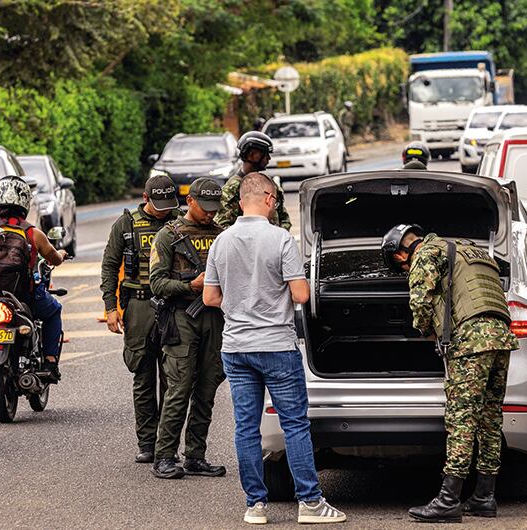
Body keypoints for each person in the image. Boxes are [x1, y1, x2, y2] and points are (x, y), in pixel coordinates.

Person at [204, 172, 347, 525]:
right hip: (276, 346)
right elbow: (300, 294)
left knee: (246, 428)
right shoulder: (281, 238)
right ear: (270, 199)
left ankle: (255, 505)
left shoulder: (221, 242)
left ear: (241, 201)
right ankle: (310, 503)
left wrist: (239, 304)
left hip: (236, 347)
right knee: (295, 425)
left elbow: (210, 297)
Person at [381, 224, 518, 523]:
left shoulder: (425, 254)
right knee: (490, 419)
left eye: (401, 266)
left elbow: (420, 302)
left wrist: (426, 331)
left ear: (401, 253)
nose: (405, 269)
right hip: (500, 337)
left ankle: (448, 499)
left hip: (471, 342)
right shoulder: (469, 249)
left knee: (461, 420)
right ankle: (484, 496)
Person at [148, 177, 227, 480]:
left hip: (214, 317)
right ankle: (164, 456)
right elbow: (157, 283)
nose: (210, 213)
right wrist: (189, 285)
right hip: (181, 316)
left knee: (207, 388)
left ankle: (196, 455)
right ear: (190, 201)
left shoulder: (223, 236)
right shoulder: (168, 236)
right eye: (204, 207)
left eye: (214, 208)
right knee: (179, 388)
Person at [100, 174, 181, 464]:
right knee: (143, 375)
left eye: (168, 204)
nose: (164, 210)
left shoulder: (179, 221)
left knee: (174, 378)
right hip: (139, 305)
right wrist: (111, 308)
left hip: (174, 306)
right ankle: (147, 442)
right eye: (159, 204)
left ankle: (167, 443)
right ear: (146, 199)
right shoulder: (126, 225)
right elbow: (110, 266)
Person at [0, 176, 68, 377]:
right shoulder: (33, 233)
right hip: (25, 297)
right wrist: (61, 255)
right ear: (25, 202)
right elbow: (54, 259)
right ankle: (50, 360)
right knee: (54, 311)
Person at [215, 131, 292, 230]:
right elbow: (222, 225)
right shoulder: (233, 188)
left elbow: (284, 219)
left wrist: (279, 234)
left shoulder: (269, 184)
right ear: (252, 155)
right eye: (265, 154)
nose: (269, 158)